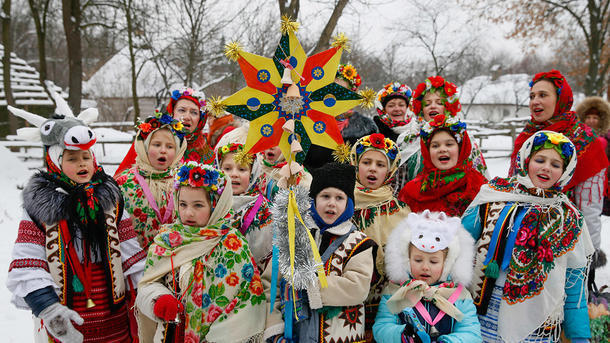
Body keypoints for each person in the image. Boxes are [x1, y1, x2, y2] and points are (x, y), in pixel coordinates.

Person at [6, 110, 145, 342]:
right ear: (55, 161)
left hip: (113, 318)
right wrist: (50, 311)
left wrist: (150, 295)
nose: (82, 164)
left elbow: (132, 256)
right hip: (66, 316)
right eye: (72, 159)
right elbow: (27, 263)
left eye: (85, 157)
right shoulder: (39, 207)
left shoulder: (110, 200)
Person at [464, 131, 593, 342]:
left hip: (539, 326)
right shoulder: (493, 196)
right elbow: (457, 247)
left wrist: (580, 337)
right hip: (482, 315)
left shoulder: (569, 218)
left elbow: (574, 288)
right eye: (540, 160)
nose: (546, 168)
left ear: (565, 172)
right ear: (525, 160)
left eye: (556, 164)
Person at [136, 162, 266, 342]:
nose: (188, 213)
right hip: (170, 335)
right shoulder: (167, 240)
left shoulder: (232, 245)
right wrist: (157, 298)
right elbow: (147, 284)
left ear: (216, 206)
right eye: (182, 204)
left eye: (198, 205)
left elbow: (245, 301)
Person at [265, 162, 377, 343]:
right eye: (325, 196)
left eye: (339, 198)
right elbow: (272, 285)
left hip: (341, 336)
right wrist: (276, 331)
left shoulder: (359, 243)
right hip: (296, 334)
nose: (332, 203)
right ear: (314, 200)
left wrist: (309, 284)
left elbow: (357, 287)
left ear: (348, 203)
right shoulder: (295, 238)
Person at [509, 70, 608, 267]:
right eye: (532, 96)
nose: (535, 101)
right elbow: (513, 187)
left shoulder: (586, 142)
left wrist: (589, 255)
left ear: (561, 99)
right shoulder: (527, 138)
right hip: (521, 242)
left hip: (565, 245)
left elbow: (589, 209)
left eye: (543, 95)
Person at [373, 210, 481, 343]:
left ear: (447, 263)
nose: (425, 267)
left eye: (433, 262)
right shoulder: (395, 291)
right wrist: (402, 336)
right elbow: (381, 327)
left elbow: (471, 332)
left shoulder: (460, 296)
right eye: (418, 260)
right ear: (407, 259)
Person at [349, 133, 411, 341]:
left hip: (387, 305)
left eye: (380, 164)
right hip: (347, 301)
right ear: (356, 165)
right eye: (366, 162)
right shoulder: (341, 203)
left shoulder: (402, 212)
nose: (372, 168)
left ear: (390, 170)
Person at [115, 111, 187, 249]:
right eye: (156, 144)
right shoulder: (124, 183)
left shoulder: (184, 183)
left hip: (174, 260)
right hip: (134, 261)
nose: (163, 150)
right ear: (145, 148)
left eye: (170, 146)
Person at [398, 76, 489, 182]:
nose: (433, 106)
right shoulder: (408, 138)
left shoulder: (462, 137)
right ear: (421, 109)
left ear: (448, 107)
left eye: (439, 103)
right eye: (427, 104)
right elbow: (398, 178)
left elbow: (479, 176)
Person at [398, 114, 487, 217]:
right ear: (427, 151)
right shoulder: (411, 191)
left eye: (449, 144)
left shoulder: (478, 186)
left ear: (461, 148)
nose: (442, 149)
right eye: (435, 146)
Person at [215, 127, 273, 271]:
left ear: (253, 173)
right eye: (227, 169)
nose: (234, 174)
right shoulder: (211, 201)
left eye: (242, 169)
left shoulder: (263, 208)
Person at [304, 62, 377, 171]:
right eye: (332, 89)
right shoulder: (308, 122)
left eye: (342, 91)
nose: (336, 95)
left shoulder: (366, 128)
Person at [167, 87, 215, 164]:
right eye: (182, 110)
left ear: (200, 119)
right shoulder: (155, 143)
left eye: (194, 112)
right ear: (172, 114)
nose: (187, 117)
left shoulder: (208, 155)